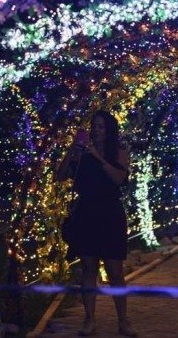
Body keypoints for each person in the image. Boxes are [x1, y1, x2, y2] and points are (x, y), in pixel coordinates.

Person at [56, 110, 136, 337]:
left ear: (109, 130)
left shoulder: (118, 152)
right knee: (88, 268)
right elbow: (60, 176)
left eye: (101, 127)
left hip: (110, 214)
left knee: (115, 270)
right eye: (94, 127)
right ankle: (89, 319)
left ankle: (123, 320)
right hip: (87, 213)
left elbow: (119, 178)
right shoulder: (82, 155)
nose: (97, 131)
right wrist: (72, 151)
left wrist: (99, 158)